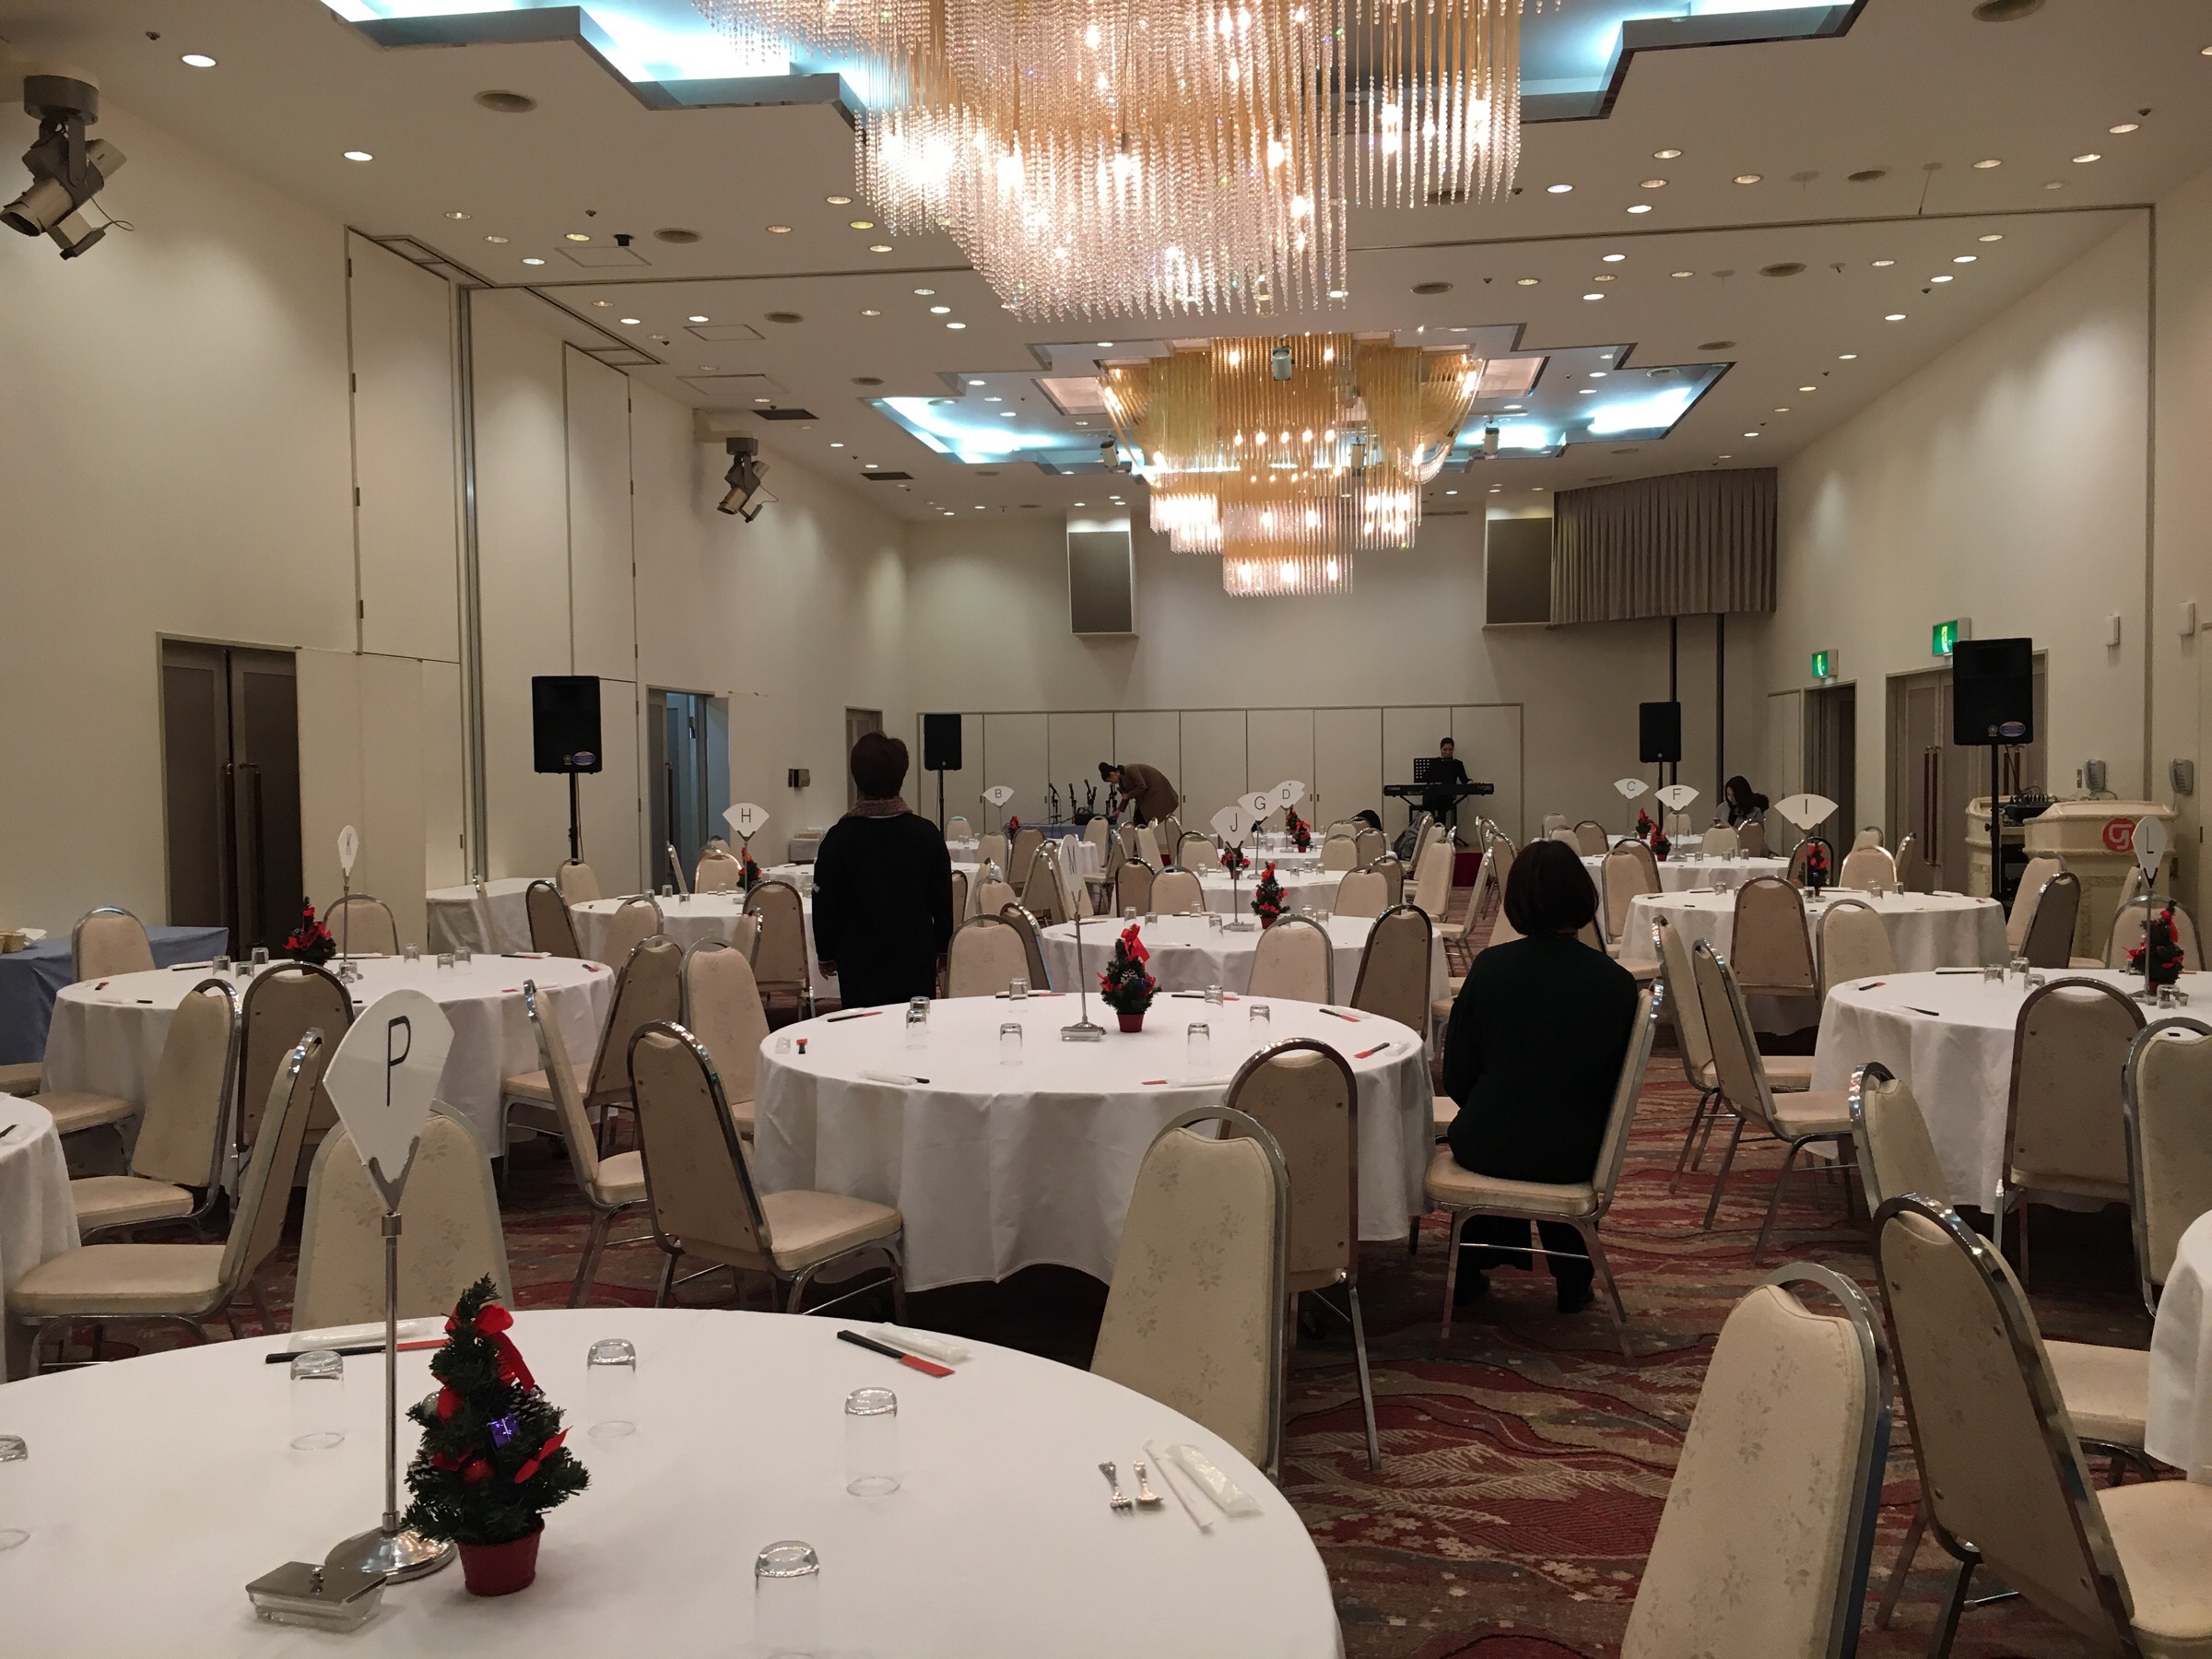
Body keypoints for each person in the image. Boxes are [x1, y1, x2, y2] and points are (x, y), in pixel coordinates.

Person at [1438, 839, 1639, 1313]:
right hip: (1577, 1153)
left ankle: (1473, 1265)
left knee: (1498, 1123)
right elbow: (1615, 1089)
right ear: (1584, 897)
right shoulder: (1616, 984)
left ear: (1517, 902)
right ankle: (1573, 1277)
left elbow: (1457, 1075)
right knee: (1549, 1126)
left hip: (1490, 1144)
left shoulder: (1490, 970)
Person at [812, 734, 954, 1008]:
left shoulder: (839, 838)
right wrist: (943, 947)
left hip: (858, 957)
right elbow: (942, 896)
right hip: (914, 954)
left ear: (857, 777)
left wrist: (826, 952)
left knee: (861, 1025)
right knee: (914, 1022)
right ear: (901, 776)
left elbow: (824, 900)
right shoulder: (925, 834)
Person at [1098, 759, 1180, 828]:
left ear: (1112, 774)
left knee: (1143, 819)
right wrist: (1118, 811)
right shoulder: (1122, 778)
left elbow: (1142, 786)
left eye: (1110, 780)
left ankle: (1143, 839)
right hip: (1146, 796)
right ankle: (1141, 839)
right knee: (1139, 819)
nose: (1112, 783)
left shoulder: (1130, 770)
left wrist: (1128, 795)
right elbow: (1126, 796)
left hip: (1156, 793)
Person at [1420, 736, 1470, 826]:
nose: (1448, 752)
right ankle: (1428, 825)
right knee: (1429, 798)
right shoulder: (1435, 763)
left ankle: (1439, 828)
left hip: (1447, 796)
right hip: (1433, 795)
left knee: (1442, 805)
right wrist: (1434, 783)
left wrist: (1470, 782)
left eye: (1450, 750)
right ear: (1441, 749)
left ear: (1453, 749)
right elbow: (1427, 778)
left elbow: (1464, 779)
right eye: (1445, 749)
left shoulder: (1457, 764)